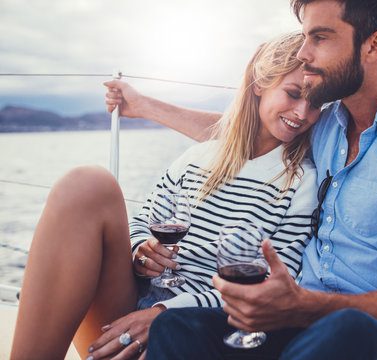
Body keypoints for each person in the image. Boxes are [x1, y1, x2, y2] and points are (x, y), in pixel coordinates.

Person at [106, 1, 377, 359]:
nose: (304, 52)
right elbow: (245, 131)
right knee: (176, 327)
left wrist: (304, 307)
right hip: (299, 322)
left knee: (346, 329)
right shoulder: (327, 124)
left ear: (373, 46)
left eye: (319, 37)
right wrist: (144, 107)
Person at [10, 31, 321, 360]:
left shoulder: (302, 183)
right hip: (130, 311)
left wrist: (164, 314)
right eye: (292, 93)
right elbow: (145, 220)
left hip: (202, 328)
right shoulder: (198, 157)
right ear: (259, 83)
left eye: (316, 102)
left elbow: (273, 288)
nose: (303, 113)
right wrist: (141, 255)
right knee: (85, 183)